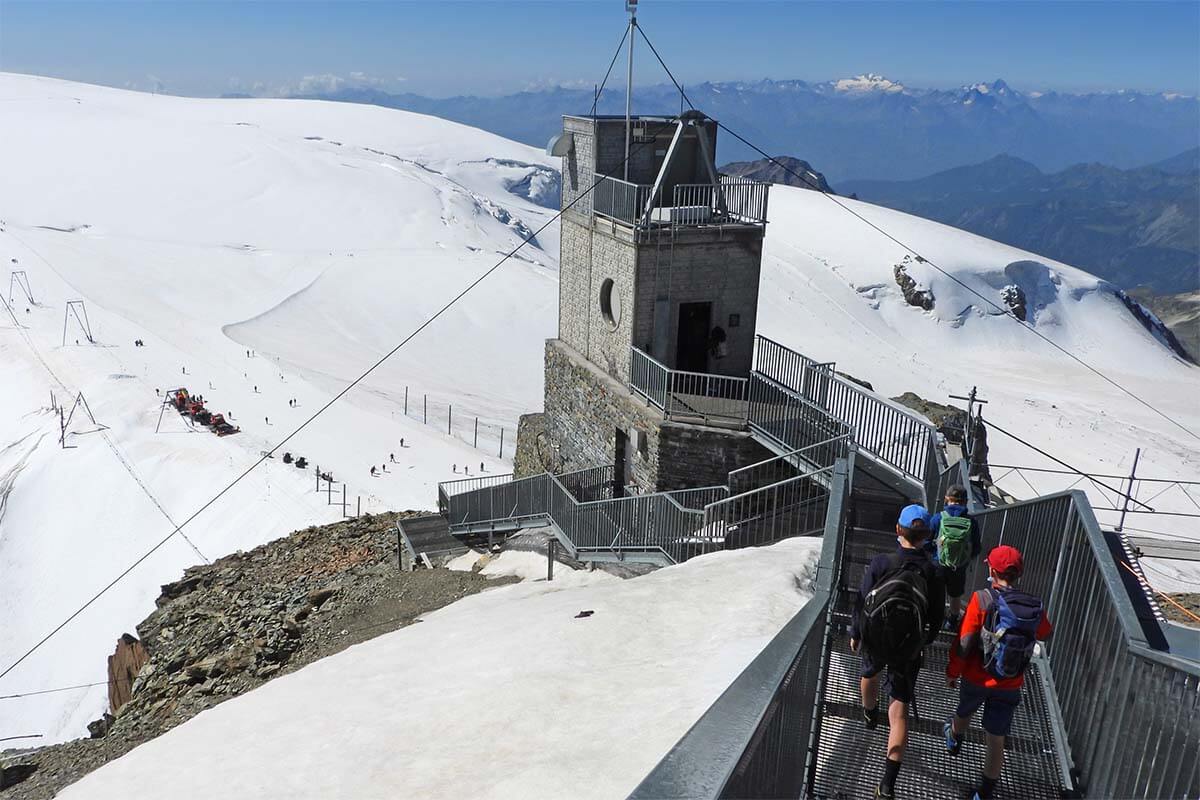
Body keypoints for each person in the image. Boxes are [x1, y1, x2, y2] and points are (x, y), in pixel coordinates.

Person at [850, 504, 945, 800]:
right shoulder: (932, 571)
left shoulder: (881, 562)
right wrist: (923, 641)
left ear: (898, 530)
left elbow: (862, 599)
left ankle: (869, 713)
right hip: (908, 647)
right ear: (927, 535)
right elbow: (936, 616)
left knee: (870, 673)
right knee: (900, 713)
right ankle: (887, 785)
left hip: (876, 639)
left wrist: (856, 633)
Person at [946, 545, 1052, 800]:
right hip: (1010, 681)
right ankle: (985, 793)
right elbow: (1045, 633)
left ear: (991, 569)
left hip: (976, 675)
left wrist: (953, 671)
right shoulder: (1033, 606)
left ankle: (955, 738)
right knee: (996, 739)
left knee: (964, 711)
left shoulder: (981, 599)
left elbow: (964, 642)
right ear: (1019, 574)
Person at [929, 484, 982, 625]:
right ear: (966, 502)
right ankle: (952, 621)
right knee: (955, 594)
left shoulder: (938, 518)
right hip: (959, 566)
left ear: (947, 499)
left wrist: (934, 550)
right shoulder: (972, 522)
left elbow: (927, 542)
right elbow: (977, 547)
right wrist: (966, 557)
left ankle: (933, 619)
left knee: (936, 592)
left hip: (938, 563)